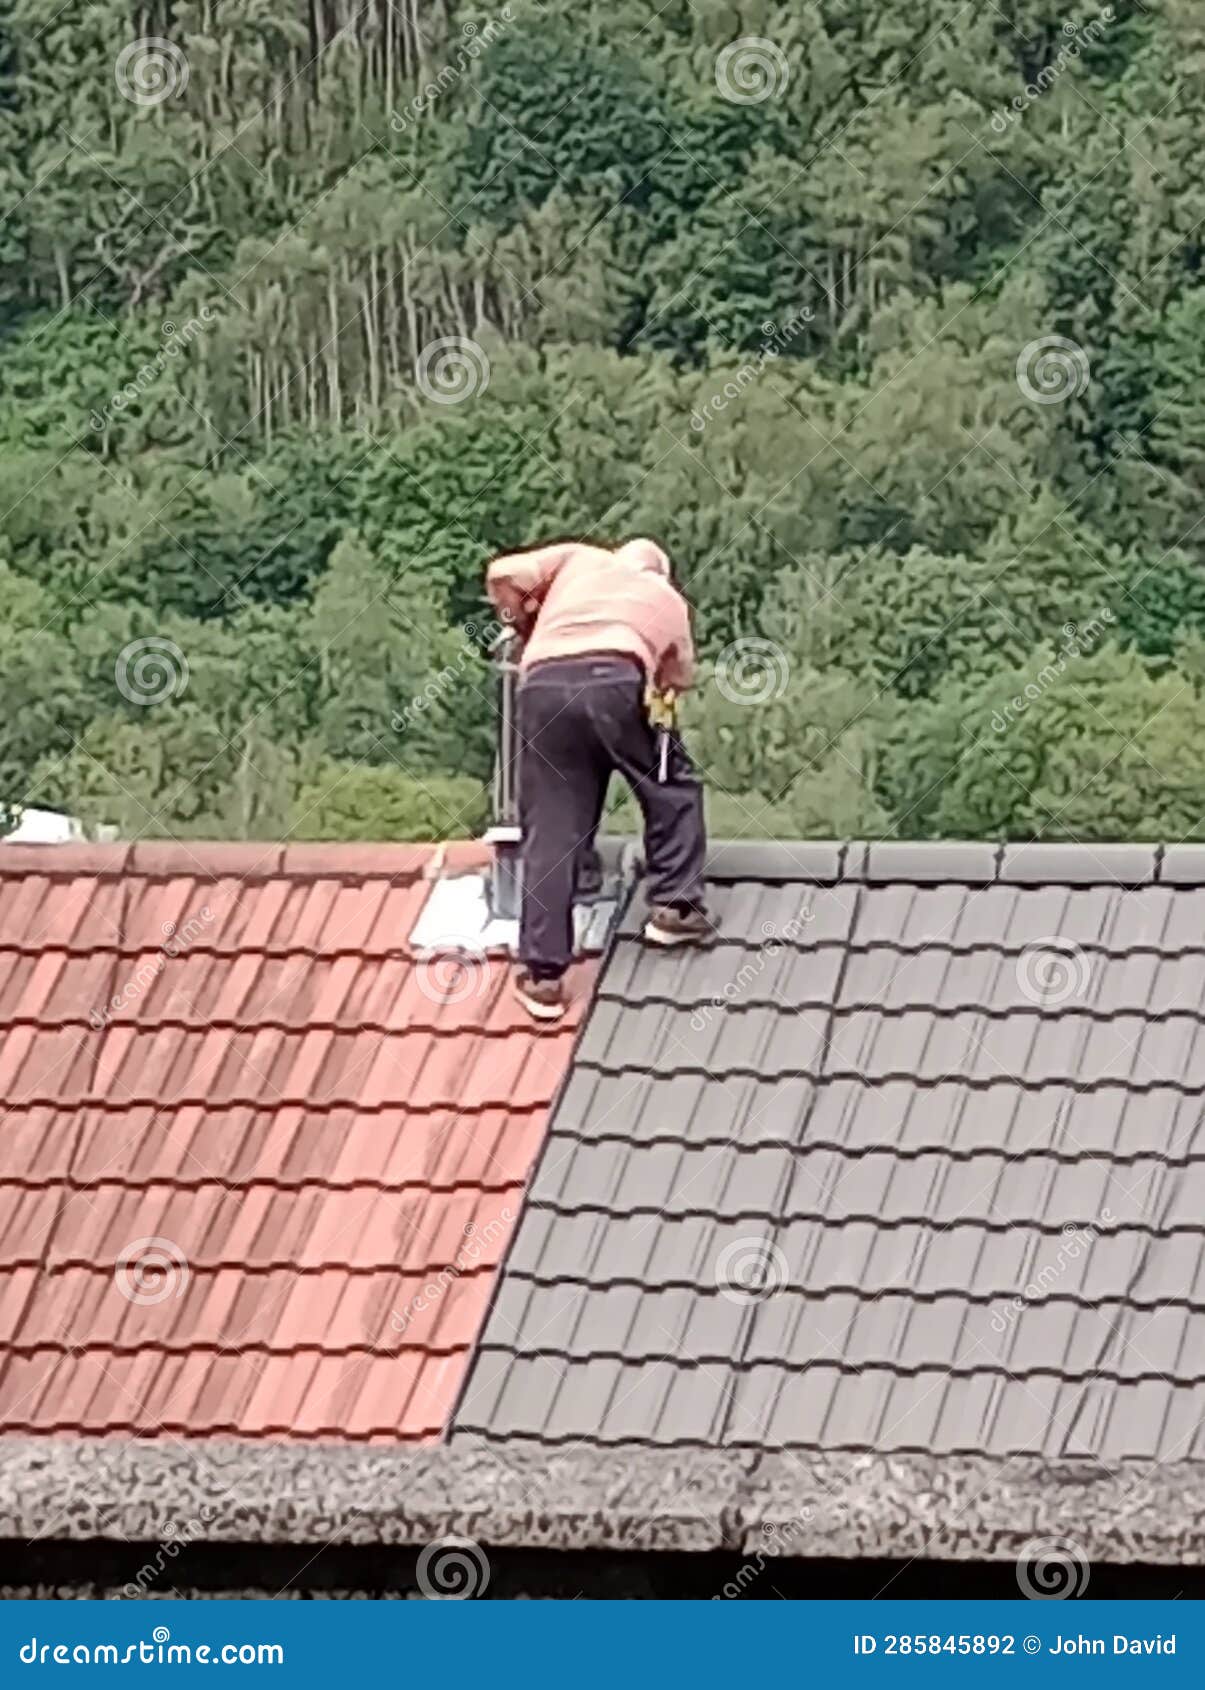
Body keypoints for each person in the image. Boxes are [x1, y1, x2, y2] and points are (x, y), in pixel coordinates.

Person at [486, 536, 712, 1021]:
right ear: (661, 574)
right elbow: (679, 680)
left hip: (541, 687)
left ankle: (544, 977)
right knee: (670, 783)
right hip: (617, 677)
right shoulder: (668, 600)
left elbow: (505, 573)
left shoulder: (578, 560)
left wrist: (526, 624)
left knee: (552, 825)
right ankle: (675, 907)